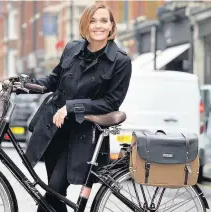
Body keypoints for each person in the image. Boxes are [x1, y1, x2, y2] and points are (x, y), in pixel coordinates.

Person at [25, 3, 132, 211]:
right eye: (93, 21)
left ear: (111, 26)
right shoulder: (72, 48)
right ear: (85, 24)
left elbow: (111, 102)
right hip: (54, 130)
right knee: (56, 194)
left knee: (53, 190)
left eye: (104, 21)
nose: (98, 26)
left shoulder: (120, 61)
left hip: (83, 136)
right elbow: (53, 79)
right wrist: (23, 85)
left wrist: (71, 107)